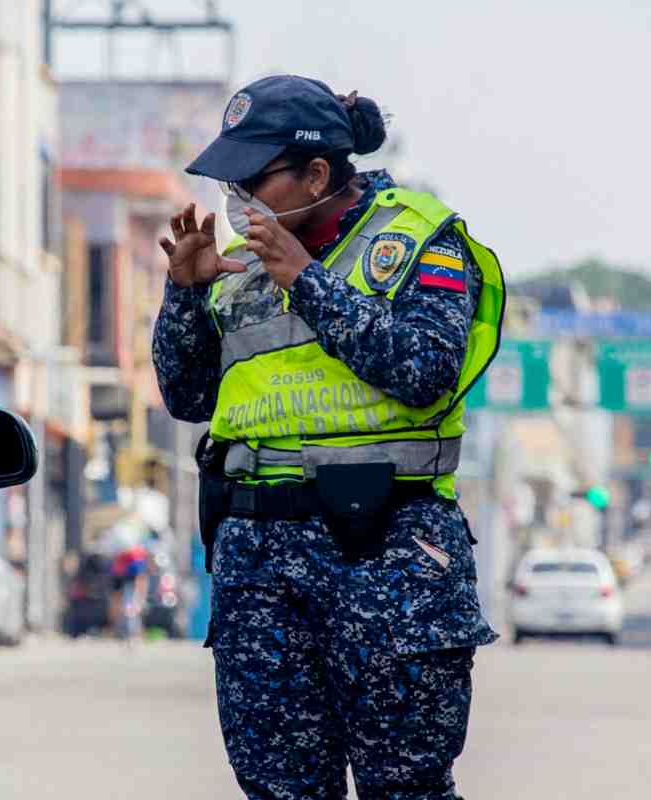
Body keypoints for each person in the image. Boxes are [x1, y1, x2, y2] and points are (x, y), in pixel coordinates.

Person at [152, 75, 505, 799]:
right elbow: (187, 395)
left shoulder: (417, 239)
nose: (238, 198)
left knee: (404, 787)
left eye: (254, 178)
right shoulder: (239, 266)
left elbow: (426, 370)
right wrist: (185, 294)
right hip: (260, 568)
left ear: (318, 172)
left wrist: (308, 280)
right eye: (231, 182)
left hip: (390, 559)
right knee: (280, 789)